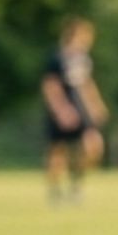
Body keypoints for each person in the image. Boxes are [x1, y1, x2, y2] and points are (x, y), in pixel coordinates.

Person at [42, 17, 108, 206]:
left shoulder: (84, 59)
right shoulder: (57, 57)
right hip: (62, 111)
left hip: (82, 110)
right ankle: (55, 192)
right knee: (58, 152)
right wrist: (62, 110)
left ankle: (76, 185)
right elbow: (50, 85)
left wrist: (96, 105)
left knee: (92, 147)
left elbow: (86, 83)